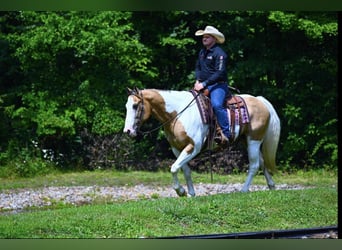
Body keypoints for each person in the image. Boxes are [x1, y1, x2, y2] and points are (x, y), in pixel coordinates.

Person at [193, 25, 231, 145]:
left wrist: (204, 83)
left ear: (214, 39)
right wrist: (198, 80)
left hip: (218, 85)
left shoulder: (220, 54)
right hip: (202, 85)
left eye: (207, 37)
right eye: (203, 37)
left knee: (216, 105)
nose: (204, 39)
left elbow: (220, 73)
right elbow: (198, 67)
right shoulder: (202, 52)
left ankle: (226, 133)